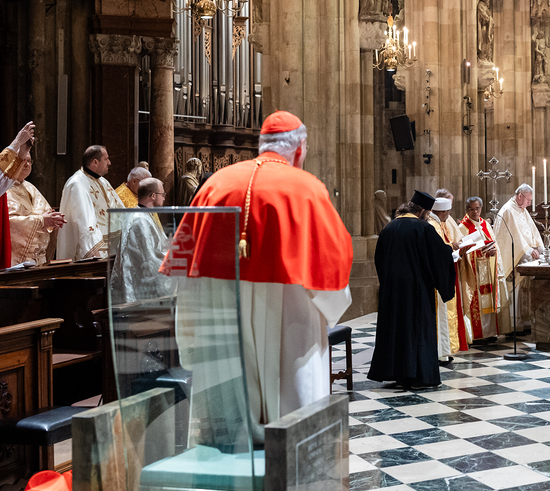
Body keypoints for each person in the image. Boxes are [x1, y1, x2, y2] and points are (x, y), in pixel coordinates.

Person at [165, 111, 354, 444]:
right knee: (293, 408)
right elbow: (332, 263)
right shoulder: (306, 188)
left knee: (228, 422)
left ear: (261, 144)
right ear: (300, 149)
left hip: (222, 313)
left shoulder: (215, 185)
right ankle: (292, 455)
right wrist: (332, 304)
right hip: (290, 313)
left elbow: (186, 268)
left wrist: (189, 330)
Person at [369, 191, 456, 389]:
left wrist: (387, 282)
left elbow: (379, 259)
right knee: (417, 331)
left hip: (392, 291)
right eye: (428, 213)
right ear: (423, 211)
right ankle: (419, 376)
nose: (428, 216)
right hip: (417, 291)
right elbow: (440, 256)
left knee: (395, 330)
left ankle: (395, 373)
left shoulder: (389, 228)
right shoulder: (423, 228)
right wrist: (450, 251)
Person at [56, 145, 126, 260]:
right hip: (94, 254)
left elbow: (120, 210)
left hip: (112, 251)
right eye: (106, 159)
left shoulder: (103, 181)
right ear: (95, 162)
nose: (109, 163)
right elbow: (83, 223)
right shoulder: (77, 184)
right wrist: (95, 254)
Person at [110, 177, 171, 303]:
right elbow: (149, 260)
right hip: (140, 293)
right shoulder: (140, 221)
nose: (164, 198)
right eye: (163, 194)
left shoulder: (143, 215)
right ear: (153, 196)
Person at [494, 184, 544, 335]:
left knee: (525, 292)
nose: (529, 203)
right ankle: (513, 325)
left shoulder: (522, 209)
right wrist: (529, 250)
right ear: (520, 196)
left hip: (526, 258)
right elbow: (514, 237)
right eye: (528, 200)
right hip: (514, 258)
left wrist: (540, 248)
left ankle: (524, 323)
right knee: (514, 292)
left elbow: (532, 231)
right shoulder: (508, 210)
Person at [427, 194, 468, 361]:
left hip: (444, 271)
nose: (449, 215)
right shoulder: (433, 225)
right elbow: (438, 251)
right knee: (441, 316)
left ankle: (444, 351)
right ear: (443, 212)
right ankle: (439, 353)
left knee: (445, 314)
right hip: (438, 277)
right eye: (448, 212)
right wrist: (452, 247)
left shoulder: (439, 224)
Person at [7, 151, 65, 266]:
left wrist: (52, 222)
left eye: (29, 161)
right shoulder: (4, 189)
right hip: (15, 261)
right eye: (22, 160)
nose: (27, 164)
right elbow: (8, 223)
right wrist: (41, 221)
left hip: (38, 258)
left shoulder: (30, 187)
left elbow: (46, 214)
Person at [457, 197, 500, 343]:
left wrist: (493, 251)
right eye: (471, 209)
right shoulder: (462, 228)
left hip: (487, 269)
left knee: (487, 300)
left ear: (481, 208)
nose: (475, 212)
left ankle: (489, 332)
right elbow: (462, 251)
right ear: (466, 210)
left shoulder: (485, 224)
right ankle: (477, 335)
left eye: (477, 208)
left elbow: (494, 243)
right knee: (476, 302)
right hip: (473, 271)